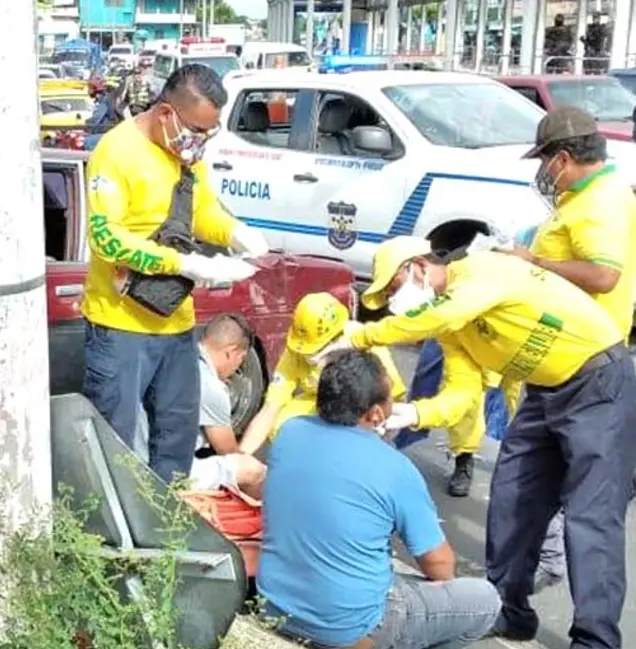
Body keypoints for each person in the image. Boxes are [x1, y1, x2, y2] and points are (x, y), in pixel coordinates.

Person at [333, 235, 636, 649]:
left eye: (394, 287)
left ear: (418, 266)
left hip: (599, 382)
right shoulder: (452, 328)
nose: (395, 300)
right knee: (513, 496)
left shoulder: (483, 271)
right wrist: (413, 413)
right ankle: (510, 610)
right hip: (545, 390)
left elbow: (448, 311)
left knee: (590, 518)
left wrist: (362, 335)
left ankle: (595, 647)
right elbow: (461, 393)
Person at [258, 349, 500, 649]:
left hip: (273, 606)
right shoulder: (395, 468)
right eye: (390, 398)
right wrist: (442, 589)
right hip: (349, 629)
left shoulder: (290, 431)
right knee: (484, 601)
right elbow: (438, 564)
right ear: (375, 414)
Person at [83, 63, 266, 484]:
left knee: (177, 439)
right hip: (120, 325)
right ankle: (124, 525)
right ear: (166, 113)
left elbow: (203, 211)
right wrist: (182, 263)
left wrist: (235, 233)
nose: (200, 141)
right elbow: (105, 238)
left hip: (175, 321)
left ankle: (171, 515)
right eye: (196, 130)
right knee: (117, 444)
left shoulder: (186, 154)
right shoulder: (117, 152)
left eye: (209, 133)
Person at [500, 106, 636, 594]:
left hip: (590, 372)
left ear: (562, 158)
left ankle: (592, 635)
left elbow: (603, 275)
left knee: (590, 514)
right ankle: (509, 605)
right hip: (554, 366)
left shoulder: (600, 202)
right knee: (516, 488)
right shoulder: (583, 198)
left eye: (544, 161)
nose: (543, 172)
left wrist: (533, 261)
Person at [238, 292, 406, 454]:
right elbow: (270, 408)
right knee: (281, 427)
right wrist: (241, 456)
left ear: (337, 338)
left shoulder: (366, 341)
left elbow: (393, 397)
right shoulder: (296, 350)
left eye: (317, 349)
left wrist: (378, 433)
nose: (310, 356)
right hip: (318, 403)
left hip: (360, 409)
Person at [139, 314, 268, 497]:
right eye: (241, 359)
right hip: (164, 472)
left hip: (132, 457)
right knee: (254, 470)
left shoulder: (173, 360)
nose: (237, 368)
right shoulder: (212, 388)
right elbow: (227, 451)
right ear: (231, 352)